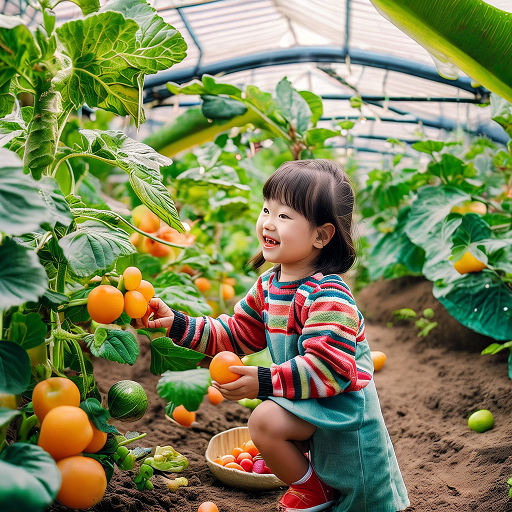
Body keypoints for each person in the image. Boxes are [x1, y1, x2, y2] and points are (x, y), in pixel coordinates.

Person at [138, 160, 410, 512]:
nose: (268, 222)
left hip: (342, 415)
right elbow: (234, 334)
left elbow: (329, 370)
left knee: (360, 492)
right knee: (266, 422)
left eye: (285, 216)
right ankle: (312, 490)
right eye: (267, 209)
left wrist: (264, 381)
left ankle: (321, 491)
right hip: (309, 403)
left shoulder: (329, 295)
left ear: (321, 235)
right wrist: (175, 322)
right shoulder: (269, 286)